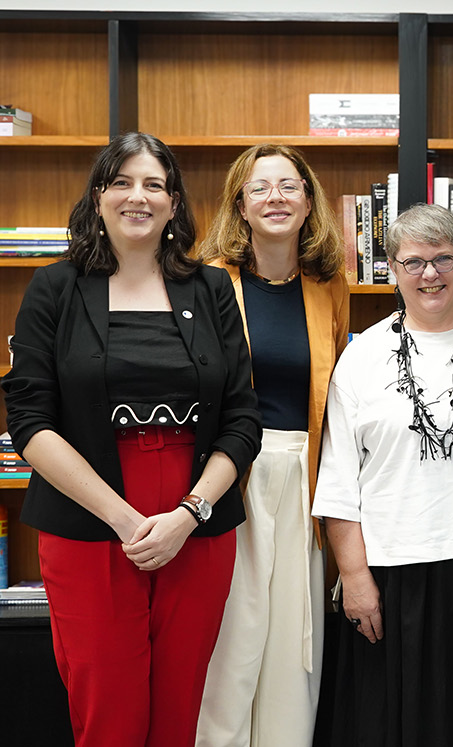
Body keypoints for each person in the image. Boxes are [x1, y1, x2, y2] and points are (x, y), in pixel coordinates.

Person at [1, 132, 261, 746]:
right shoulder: (54, 288)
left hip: (194, 519)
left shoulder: (211, 289)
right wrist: (125, 519)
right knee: (108, 712)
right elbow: (29, 419)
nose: (136, 197)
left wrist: (187, 515)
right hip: (90, 519)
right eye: (121, 182)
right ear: (98, 198)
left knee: (179, 710)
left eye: (154, 184)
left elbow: (241, 417)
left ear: (175, 204)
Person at [312, 203, 453, 746]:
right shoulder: (360, 358)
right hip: (390, 569)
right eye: (413, 262)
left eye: (443, 259)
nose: (429, 274)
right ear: (392, 269)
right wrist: (355, 580)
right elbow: (338, 482)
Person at [196, 144, 350, 747]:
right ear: (240, 203)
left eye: (289, 186)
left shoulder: (329, 285)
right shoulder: (206, 280)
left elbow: (334, 390)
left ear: (309, 202)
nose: (276, 199)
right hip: (227, 473)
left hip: (305, 476)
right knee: (231, 645)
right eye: (260, 188)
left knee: (294, 644)